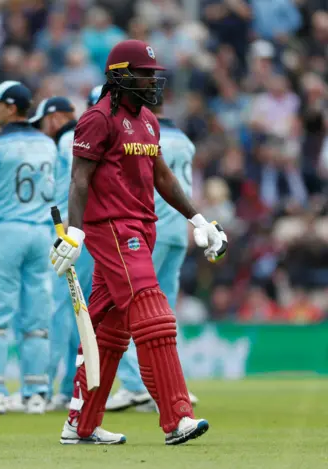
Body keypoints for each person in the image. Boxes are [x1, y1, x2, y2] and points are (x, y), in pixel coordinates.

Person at [50, 40, 227, 445]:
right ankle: (178, 417)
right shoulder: (97, 119)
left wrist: (199, 219)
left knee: (107, 333)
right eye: (144, 73)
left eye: (153, 73)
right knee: (155, 317)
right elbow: (79, 179)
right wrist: (74, 232)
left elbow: (162, 176)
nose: (152, 80)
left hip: (142, 228)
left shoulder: (148, 118)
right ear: (119, 76)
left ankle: (81, 424)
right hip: (112, 229)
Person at [0, 81, 57, 415]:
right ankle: (35, 393)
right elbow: (56, 192)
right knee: (37, 318)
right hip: (40, 232)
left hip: (5, 230)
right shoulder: (47, 145)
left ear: (12, 107)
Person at [106, 94, 199, 412]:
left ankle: (137, 386)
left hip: (151, 230)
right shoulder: (185, 141)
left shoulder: (145, 134)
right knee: (164, 314)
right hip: (178, 234)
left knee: (135, 310)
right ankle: (172, 384)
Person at [28, 96, 94, 411]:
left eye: (43, 123)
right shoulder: (89, 137)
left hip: (69, 233)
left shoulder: (67, 139)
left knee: (60, 312)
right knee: (81, 312)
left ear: (54, 118)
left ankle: (45, 386)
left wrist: (64, 231)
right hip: (92, 232)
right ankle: (73, 387)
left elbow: (69, 188)